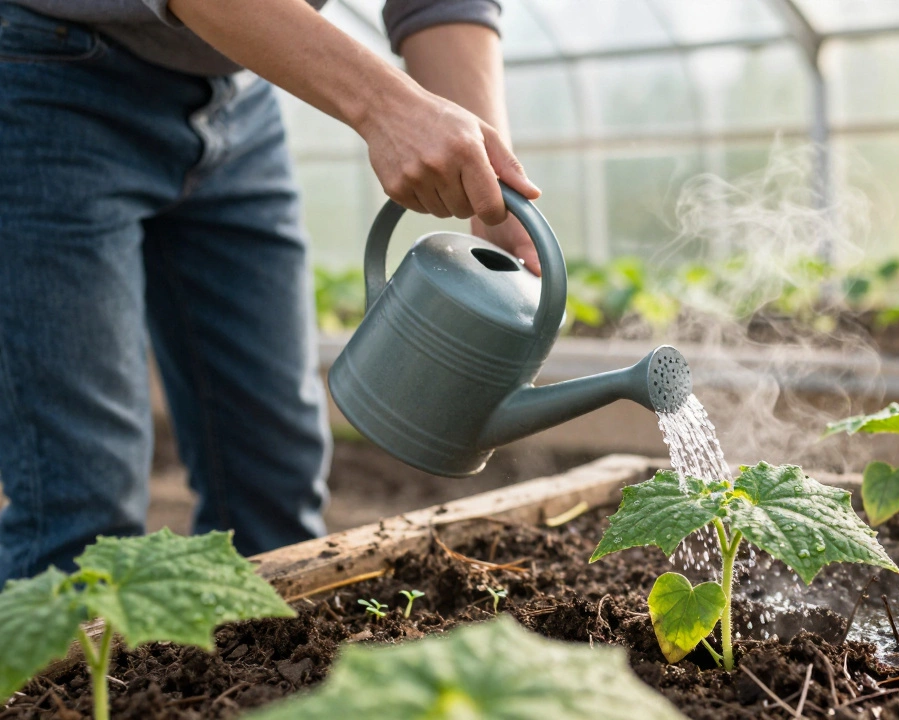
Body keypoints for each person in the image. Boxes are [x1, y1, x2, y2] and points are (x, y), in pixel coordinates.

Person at [0, 0, 539, 583]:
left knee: (274, 484)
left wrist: (492, 179)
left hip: (240, 86)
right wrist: (384, 104)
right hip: (45, 70)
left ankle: (253, 675)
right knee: (82, 508)